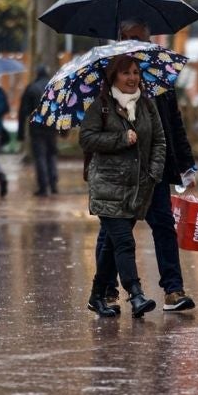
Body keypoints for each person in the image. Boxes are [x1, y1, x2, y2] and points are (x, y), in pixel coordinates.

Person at [92, 18, 198, 312]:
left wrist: (186, 164)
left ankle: (174, 290)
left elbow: (173, 123)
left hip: (155, 168)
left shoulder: (160, 79)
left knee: (163, 225)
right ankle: (108, 291)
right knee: (114, 234)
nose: (139, 44)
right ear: (120, 39)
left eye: (143, 38)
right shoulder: (106, 78)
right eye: (132, 38)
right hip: (119, 173)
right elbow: (93, 133)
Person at [80, 55, 166, 318]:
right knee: (124, 242)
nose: (132, 78)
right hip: (107, 186)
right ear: (113, 77)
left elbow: (160, 141)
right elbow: (86, 139)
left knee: (110, 247)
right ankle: (136, 293)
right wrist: (120, 138)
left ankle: (97, 296)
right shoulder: (101, 106)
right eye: (126, 73)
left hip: (138, 189)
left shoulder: (147, 106)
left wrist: (153, 174)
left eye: (136, 73)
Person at [18, 66, 59, 196]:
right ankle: (53, 185)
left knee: (40, 156)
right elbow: (62, 109)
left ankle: (43, 186)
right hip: (52, 127)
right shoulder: (55, 88)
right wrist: (64, 129)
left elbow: (23, 111)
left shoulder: (31, 88)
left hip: (37, 128)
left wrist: (20, 133)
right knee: (51, 155)